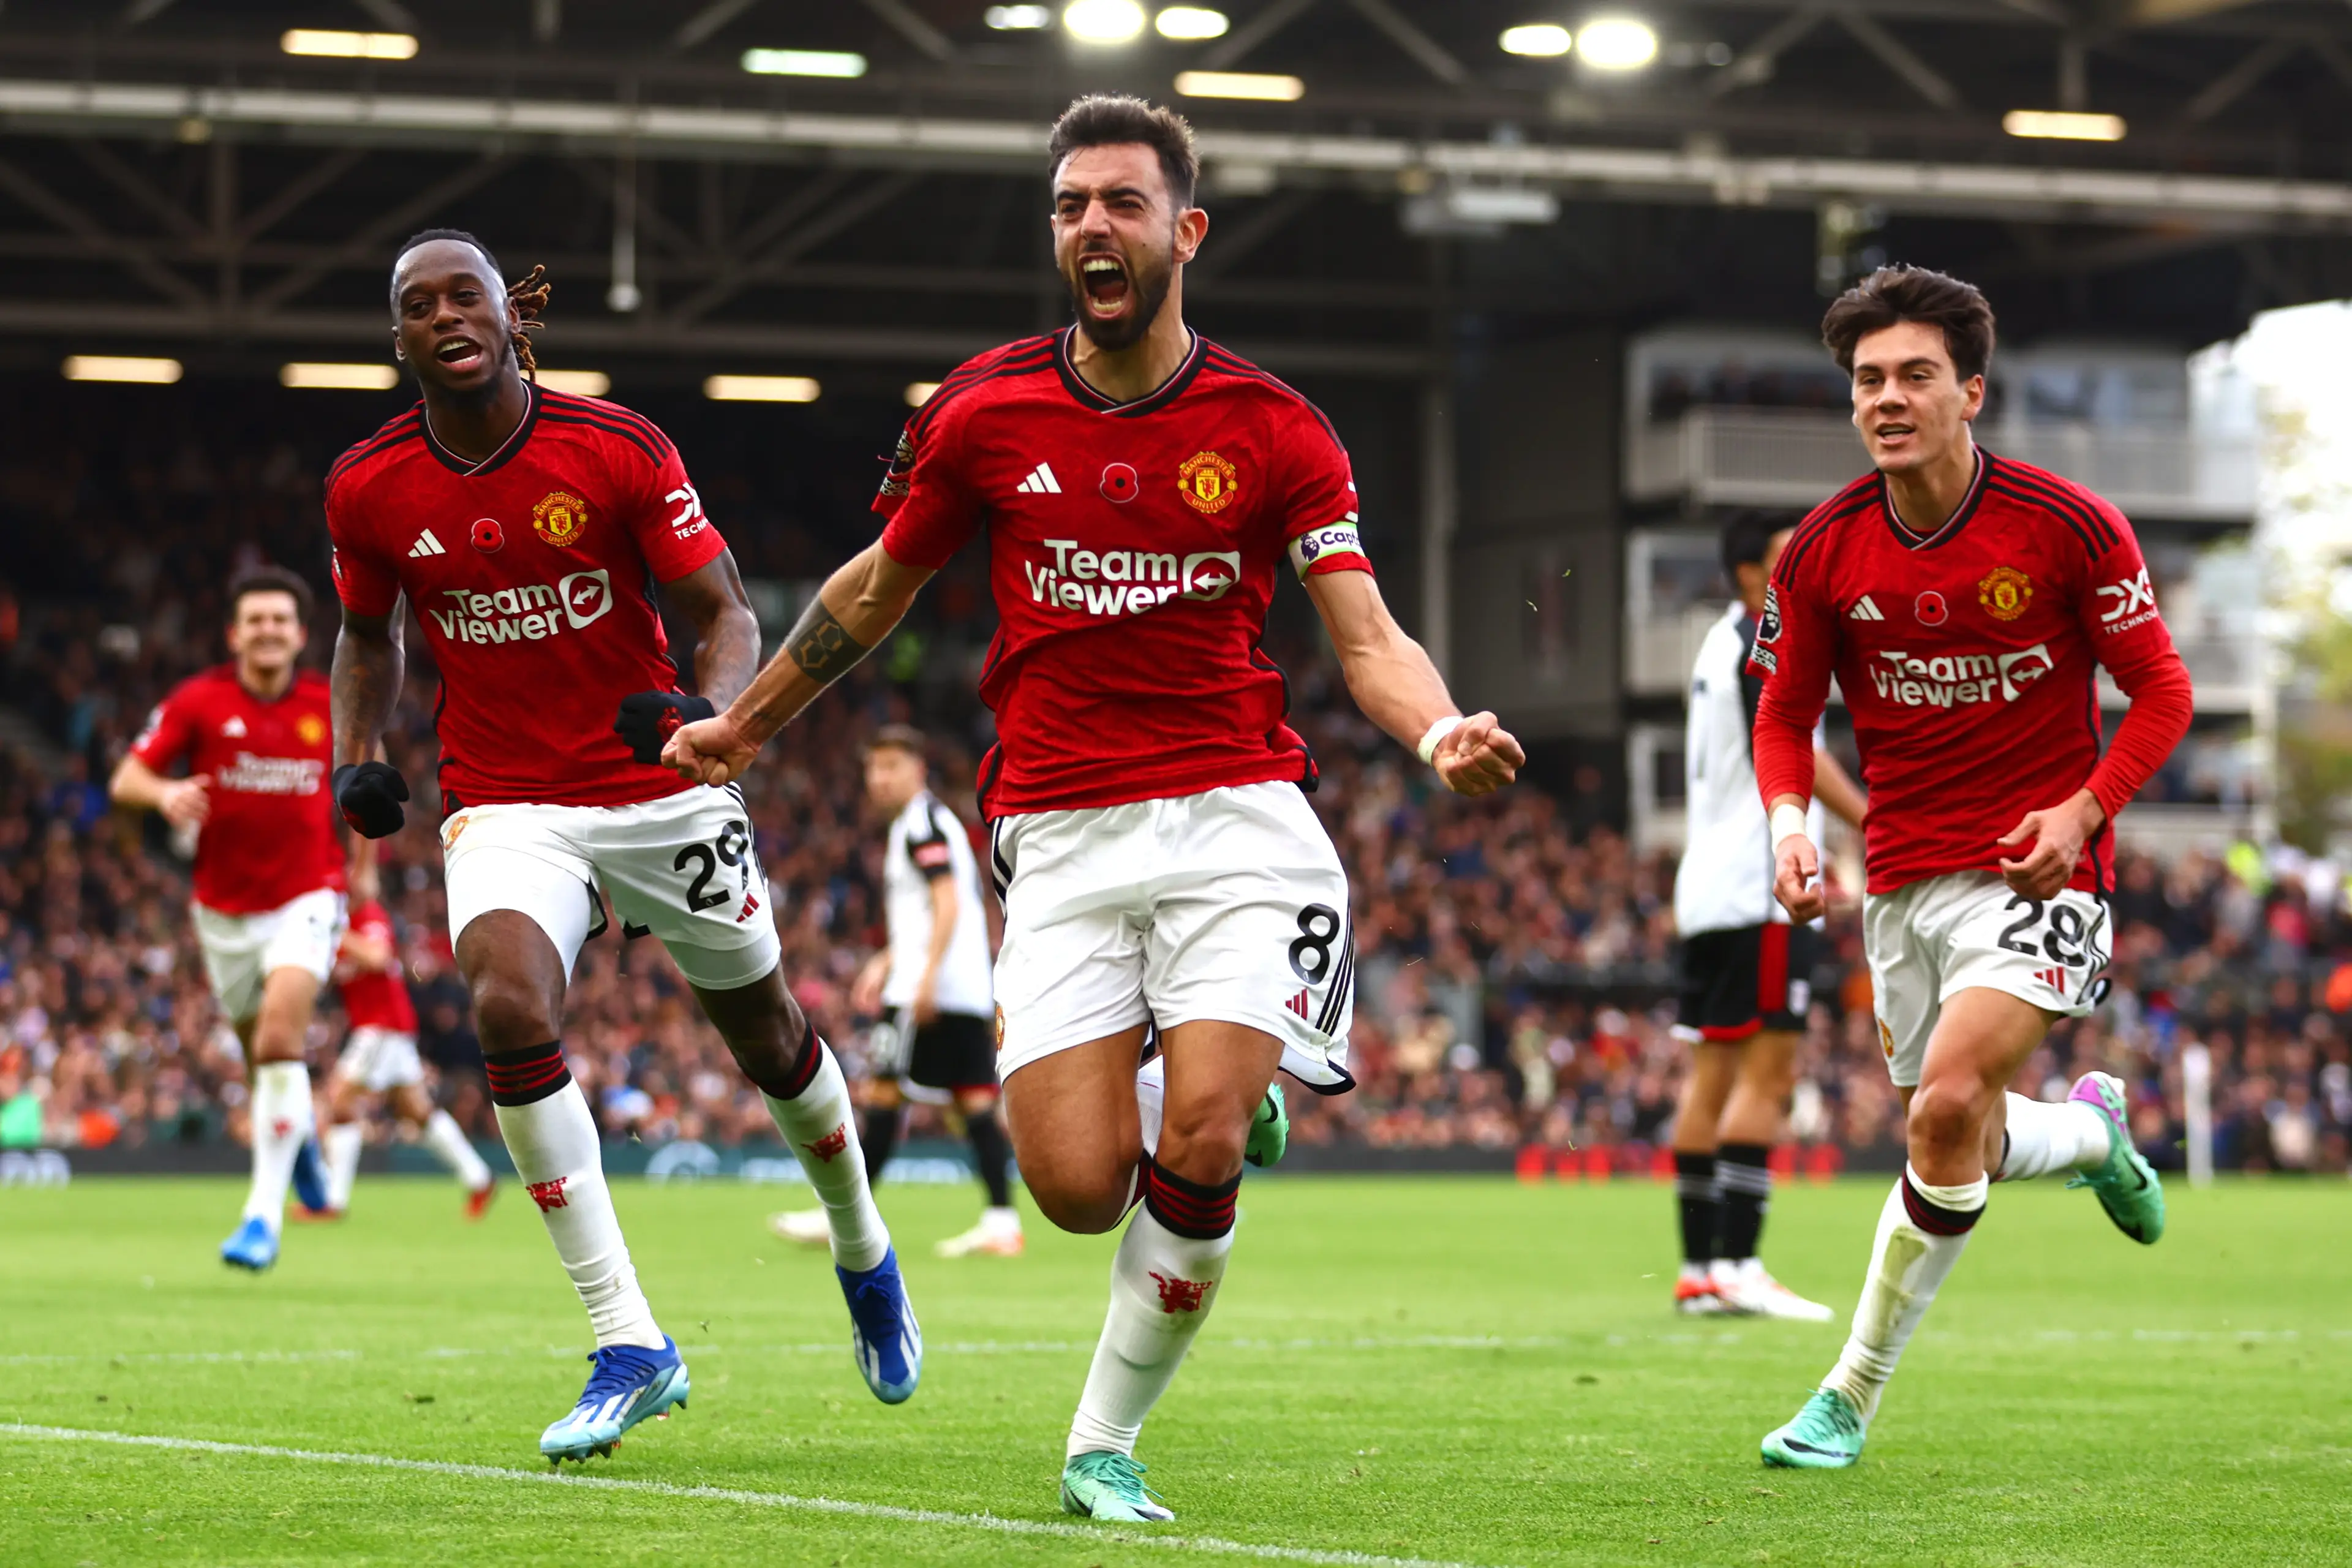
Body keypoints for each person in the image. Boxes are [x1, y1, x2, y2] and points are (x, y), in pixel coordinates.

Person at [662, 94, 1522, 1523]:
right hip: (1057, 828)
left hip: (1237, 817)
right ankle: (1214, 1096)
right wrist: (745, 725)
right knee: (1070, 1185)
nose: (1090, 228)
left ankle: (1102, 1436)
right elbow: (878, 587)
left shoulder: (1272, 426)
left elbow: (1361, 635)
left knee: (1189, 1140)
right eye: (1068, 206)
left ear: (1183, 231)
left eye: (1119, 203)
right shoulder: (982, 410)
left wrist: (1436, 728)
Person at [323, 229, 919, 1466]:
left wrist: (716, 716)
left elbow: (727, 612)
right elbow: (365, 633)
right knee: (502, 1001)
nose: (445, 315)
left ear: (507, 314)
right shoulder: (370, 484)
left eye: (464, 294)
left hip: (657, 780)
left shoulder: (615, 447)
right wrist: (356, 751)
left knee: (766, 1033)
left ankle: (862, 1239)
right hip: (505, 797)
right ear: (398, 338)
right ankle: (630, 1339)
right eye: (417, 304)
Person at [1750, 266, 2192, 1468]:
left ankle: (1846, 1395)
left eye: (1914, 376)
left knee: (1946, 1105)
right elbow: (1785, 713)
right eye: (1868, 381)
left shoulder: (2069, 525)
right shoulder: (1824, 551)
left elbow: (2163, 689)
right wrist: (1793, 824)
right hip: (1902, 880)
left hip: (2042, 876)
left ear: (1971, 392)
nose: (1888, 398)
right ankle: (2096, 1138)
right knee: (1958, 1139)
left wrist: (2086, 806)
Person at [111, 567, 346, 1270]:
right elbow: (127, 778)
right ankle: (298, 1144)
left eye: (281, 619)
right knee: (260, 1057)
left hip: (308, 895)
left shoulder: (328, 702)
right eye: (256, 619)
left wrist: (360, 877)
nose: (269, 630)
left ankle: (260, 1218)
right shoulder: (199, 700)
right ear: (235, 633)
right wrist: (167, 792)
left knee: (280, 1039)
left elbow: (366, 776)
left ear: (302, 634)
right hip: (222, 911)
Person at [1668, 514, 1866, 1321]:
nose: (1805, 570)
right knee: (1769, 1077)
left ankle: (1700, 1272)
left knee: (1711, 1080)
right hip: (1761, 890)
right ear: (1753, 573)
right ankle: (1741, 1264)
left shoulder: (1718, 641)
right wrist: (1870, 817)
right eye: (1790, 560)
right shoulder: (1760, 635)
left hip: (1708, 890)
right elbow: (1786, 744)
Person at [771, 725, 1022, 1258]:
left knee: (885, 1095)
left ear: (918, 772)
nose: (879, 779)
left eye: (891, 768)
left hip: (931, 990)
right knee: (972, 1101)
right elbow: (936, 910)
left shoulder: (922, 825)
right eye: (873, 769)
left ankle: (844, 1215)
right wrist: (887, 960)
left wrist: (924, 975)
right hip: (957, 986)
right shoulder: (927, 823)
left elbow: (949, 903)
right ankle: (1001, 1221)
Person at [315, 895, 497, 1219]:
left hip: (382, 1027)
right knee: (416, 1111)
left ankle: (332, 1200)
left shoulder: (364, 916)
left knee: (340, 1101)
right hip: (387, 1028)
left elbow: (378, 955)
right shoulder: (335, 931)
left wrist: (336, 931)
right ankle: (479, 1178)